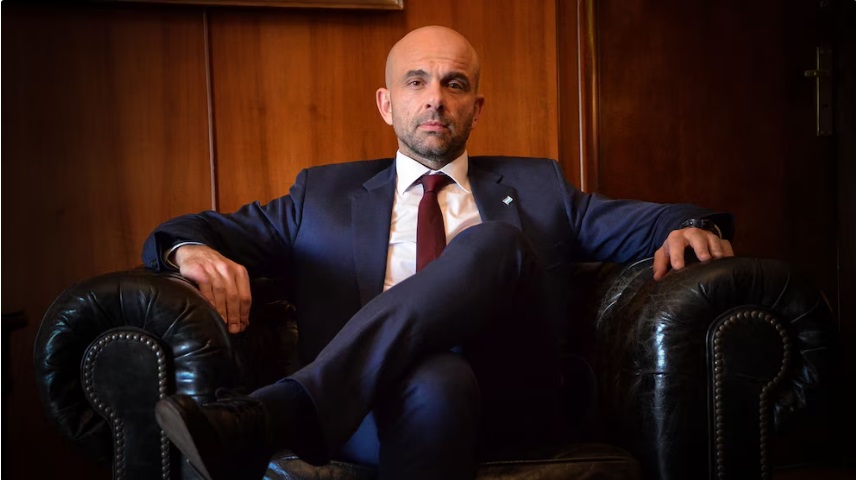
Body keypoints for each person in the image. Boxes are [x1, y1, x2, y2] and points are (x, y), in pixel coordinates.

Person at [147, 25, 734, 480]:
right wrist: (189, 250)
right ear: (386, 104)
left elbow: (657, 219)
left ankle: (285, 410)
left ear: (477, 106)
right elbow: (190, 228)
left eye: (454, 84)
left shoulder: (540, 187)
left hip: (509, 396)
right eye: (416, 81)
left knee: (495, 241)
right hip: (367, 410)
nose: (435, 99)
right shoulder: (319, 196)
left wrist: (692, 226)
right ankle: (302, 406)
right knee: (436, 379)